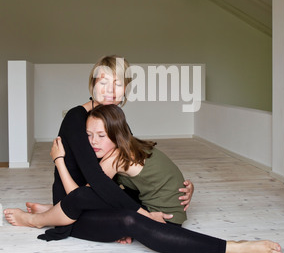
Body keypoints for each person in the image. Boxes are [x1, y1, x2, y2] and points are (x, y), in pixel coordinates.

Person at [4, 105, 283, 253]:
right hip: (156, 205)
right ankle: (53, 213)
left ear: (116, 134)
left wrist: (60, 160)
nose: (92, 142)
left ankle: (40, 219)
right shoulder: (128, 146)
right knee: (105, 198)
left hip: (164, 219)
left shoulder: (116, 159)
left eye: (100, 135)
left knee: (93, 207)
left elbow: (79, 196)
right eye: (89, 135)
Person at [22, 55, 194, 238]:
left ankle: (49, 210)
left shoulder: (112, 119)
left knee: (143, 211)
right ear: (92, 85)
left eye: (118, 84)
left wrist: (175, 187)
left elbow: (129, 163)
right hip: (74, 200)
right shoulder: (76, 118)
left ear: (126, 89)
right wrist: (146, 216)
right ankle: (45, 216)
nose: (110, 90)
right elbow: (95, 181)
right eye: (103, 82)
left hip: (101, 195)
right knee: (131, 223)